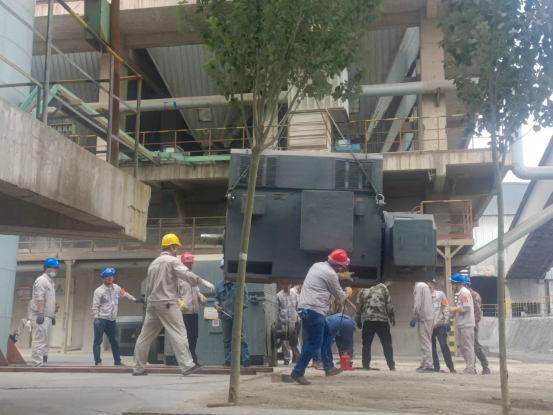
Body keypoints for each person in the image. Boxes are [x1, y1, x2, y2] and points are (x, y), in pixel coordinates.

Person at [132, 234, 215, 376]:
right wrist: (201, 281)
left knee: (145, 337)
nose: (177, 250)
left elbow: (148, 287)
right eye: (177, 247)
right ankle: (187, 365)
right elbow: (186, 274)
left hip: (152, 304)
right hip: (168, 303)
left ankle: (138, 368)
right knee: (179, 333)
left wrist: (148, 302)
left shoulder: (153, 264)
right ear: (172, 247)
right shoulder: (172, 261)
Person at [290, 249, 353, 385]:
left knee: (327, 334)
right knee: (315, 342)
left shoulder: (316, 265)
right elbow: (340, 296)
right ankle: (297, 372)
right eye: (341, 267)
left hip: (305, 308)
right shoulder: (331, 274)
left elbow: (326, 275)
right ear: (339, 266)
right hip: (314, 310)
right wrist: (348, 291)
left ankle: (329, 367)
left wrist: (341, 276)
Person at [92, 267, 144, 366]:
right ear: (103, 278)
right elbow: (95, 305)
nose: (110, 278)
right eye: (107, 276)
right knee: (98, 342)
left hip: (112, 321)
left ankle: (118, 362)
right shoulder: (98, 291)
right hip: (101, 320)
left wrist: (135, 300)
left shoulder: (117, 288)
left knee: (115, 342)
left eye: (111, 276)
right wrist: (96, 318)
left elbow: (125, 294)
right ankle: (98, 361)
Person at [214, 259, 251, 367]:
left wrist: (240, 308)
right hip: (224, 316)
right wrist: (217, 306)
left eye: (225, 268)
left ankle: (246, 360)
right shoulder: (219, 285)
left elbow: (245, 297)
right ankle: (228, 361)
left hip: (237, 316)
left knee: (242, 338)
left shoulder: (240, 283)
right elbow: (216, 298)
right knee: (227, 340)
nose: (224, 271)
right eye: (222, 269)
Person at [355, 283, 396, 371]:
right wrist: (391, 316)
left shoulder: (362, 288)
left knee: (366, 344)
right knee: (387, 344)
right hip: (382, 320)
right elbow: (388, 304)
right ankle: (391, 366)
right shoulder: (383, 287)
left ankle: (365, 365)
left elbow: (358, 305)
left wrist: (358, 319)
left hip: (368, 319)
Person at [178, 252, 208, 366]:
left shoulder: (193, 278)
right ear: (183, 264)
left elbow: (197, 291)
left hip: (194, 313)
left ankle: (192, 360)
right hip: (184, 313)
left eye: (191, 263)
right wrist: (180, 303)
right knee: (184, 338)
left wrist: (201, 297)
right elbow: (174, 294)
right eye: (188, 263)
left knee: (193, 337)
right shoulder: (178, 279)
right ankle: (183, 361)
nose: (191, 265)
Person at [29, 258, 59, 367]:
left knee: (45, 341)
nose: (56, 271)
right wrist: (40, 313)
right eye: (55, 269)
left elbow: (50, 300)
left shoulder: (50, 282)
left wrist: (52, 315)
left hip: (48, 316)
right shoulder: (41, 280)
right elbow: (40, 298)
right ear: (47, 269)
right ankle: (37, 363)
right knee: (39, 339)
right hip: (41, 316)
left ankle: (42, 360)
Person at [427, 278, 455, 373]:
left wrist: (447, 321)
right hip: (429, 326)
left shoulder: (440, 295)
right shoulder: (425, 297)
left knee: (444, 346)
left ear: (433, 284)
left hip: (440, 325)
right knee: (432, 348)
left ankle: (451, 367)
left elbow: (446, 307)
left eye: (429, 284)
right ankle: (436, 367)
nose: (428, 286)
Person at [450, 273, 476, 374]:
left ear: (457, 284)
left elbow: (466, 307)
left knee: (468, 346)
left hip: (467, 324)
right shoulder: (461, 293)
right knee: (463, 346)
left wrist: (455, 309)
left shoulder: (464, 293)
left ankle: (471, 368)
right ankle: (469, 366)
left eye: (452, 284)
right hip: (462, 324)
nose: (452, 286)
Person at [465, 276, 491, 375]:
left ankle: (485, 366)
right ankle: (472, 367)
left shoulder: (474, 295)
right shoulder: (466, 295)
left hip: (473, 324)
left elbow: (477, 311)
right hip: (467, 324)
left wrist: (474, 323)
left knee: (475, 346)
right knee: (469, 347)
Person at [412, 279, 435, 373]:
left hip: (425, 318)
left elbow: (417, 302)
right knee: (426, 342)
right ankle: (424, 363)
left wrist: (414, 315)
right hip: (428, 317)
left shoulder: (419, 286)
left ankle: (428, 365)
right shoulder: (425, 286)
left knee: (425, 342)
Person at [277, 284, 301, 365]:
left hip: (293, 320)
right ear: (283, 285)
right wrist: (278, 320)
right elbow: (277, 309)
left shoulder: (294, 294)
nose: (287, 286)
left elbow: (297, 307)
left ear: (290, 285)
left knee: (295, 339)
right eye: (285, 285)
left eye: (288, 285)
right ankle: (286, 358)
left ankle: (298, 358)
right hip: (283, 321)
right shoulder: (279, 295)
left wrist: (298, 318)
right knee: (284, 341)